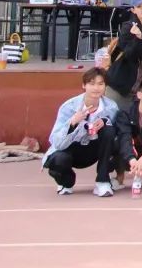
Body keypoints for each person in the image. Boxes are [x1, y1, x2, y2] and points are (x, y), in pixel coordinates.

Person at [43, 67, 119, 197]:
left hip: (94, 150)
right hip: (71, 149)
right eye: (92, 83)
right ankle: (66, 181)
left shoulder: (111, 107)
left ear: (105, 86)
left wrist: (106, 121)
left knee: (110, 130)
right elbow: (57, 142)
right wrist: (72, 123)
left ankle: (102, 181)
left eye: (100, 84)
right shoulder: (69, 107)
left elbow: (118, 135)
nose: (96, 88)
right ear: (84, 85)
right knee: (59, 160)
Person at [106, 0, 142, 109]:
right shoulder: (128, 27)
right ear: (133, 10)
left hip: (140, 87)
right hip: (120, 84)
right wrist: (138, 39)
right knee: (112, 115)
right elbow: (130, 54)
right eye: (139, 6)